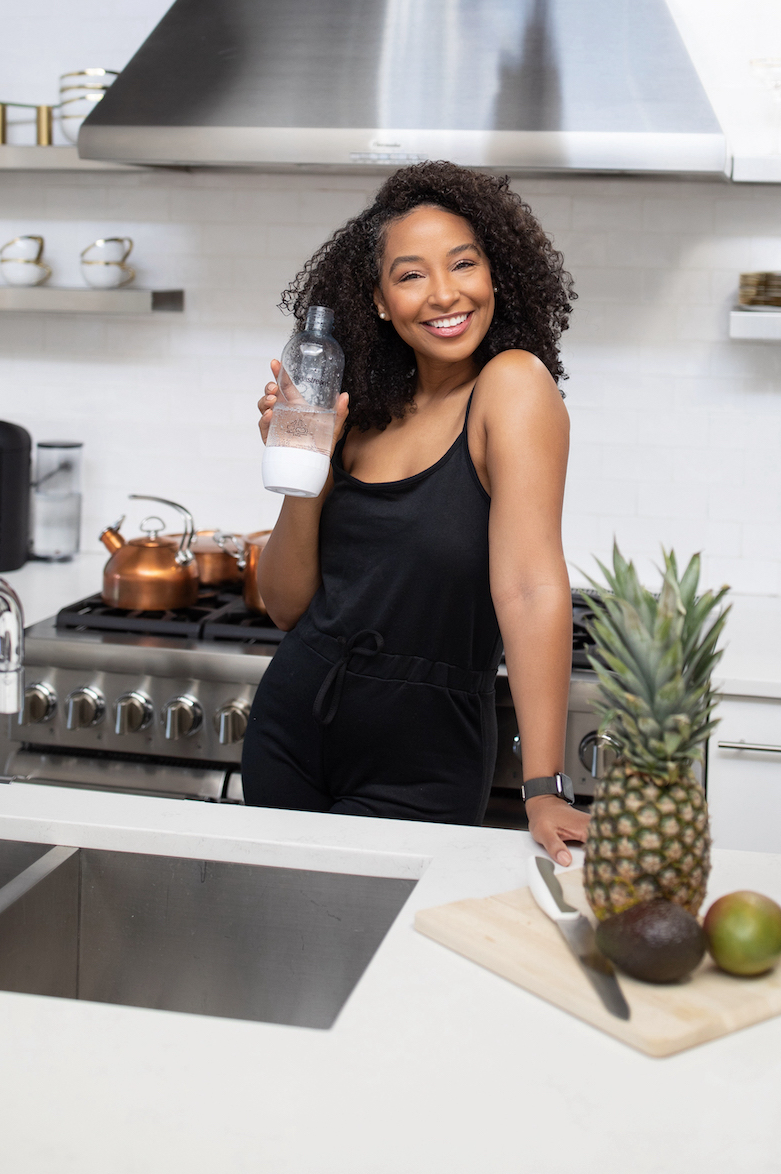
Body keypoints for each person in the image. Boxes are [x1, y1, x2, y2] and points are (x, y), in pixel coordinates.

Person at [241, 161, 590, 865]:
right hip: (291, 732)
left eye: (462, 264)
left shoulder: (511, 385)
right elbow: (284, 606)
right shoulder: (361, 414)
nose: (443, 294)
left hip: (422, 758)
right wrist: (306, 466)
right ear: (376, 300)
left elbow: (529, 588)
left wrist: (545, 785)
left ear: (495, 274)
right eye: (409, 275)